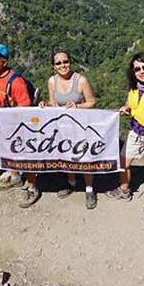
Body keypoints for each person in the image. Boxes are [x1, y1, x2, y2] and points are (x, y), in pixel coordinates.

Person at [107, 53, 144, 209]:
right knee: (123, 162)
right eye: (137, 69)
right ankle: (124, 189)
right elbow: (130, 101)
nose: (141, 71)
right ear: (133, 72)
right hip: (136, 130)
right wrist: (126, 107)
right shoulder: (133, 86)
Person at [0, 43, 40, 208]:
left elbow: (25, 108)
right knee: (9, 153)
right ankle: (15, 177)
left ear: (4, 62)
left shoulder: (16, 83)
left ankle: (32, 187)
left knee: (24, 156)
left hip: (16, 127)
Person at [41, 49, 98, 209]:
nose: (62, 65)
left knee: (84, 157)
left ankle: (89, 189)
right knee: (67, 155)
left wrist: (77, 105)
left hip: (81, 125)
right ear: (54, 66)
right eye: (58, 63)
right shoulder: (52, 82)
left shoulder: (81, 80)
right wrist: (44, 105)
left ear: (70, 62)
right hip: (63, 127)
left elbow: (92, 102)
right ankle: (71, 182)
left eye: (65, 62)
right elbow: (53, 103)